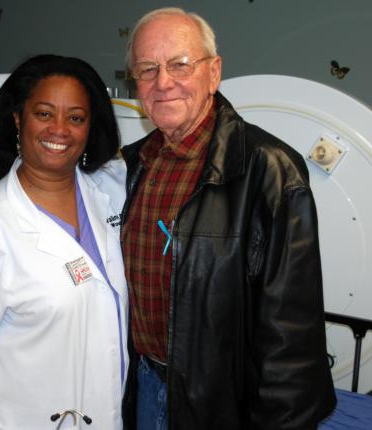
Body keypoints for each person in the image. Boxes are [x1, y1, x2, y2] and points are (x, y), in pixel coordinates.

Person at [121, 7, 336, 430]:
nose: (163, 83)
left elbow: (290, 334)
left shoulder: (268, 169)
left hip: (224, 404)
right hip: (142, 384)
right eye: (147, 69)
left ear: (214, 72)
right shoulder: (134, 166)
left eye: (180, 64)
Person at [0, 54, 128, 430]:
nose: (60, 130)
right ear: (18, 119)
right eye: (43, 113)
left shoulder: (107, 195)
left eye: (76, 118)